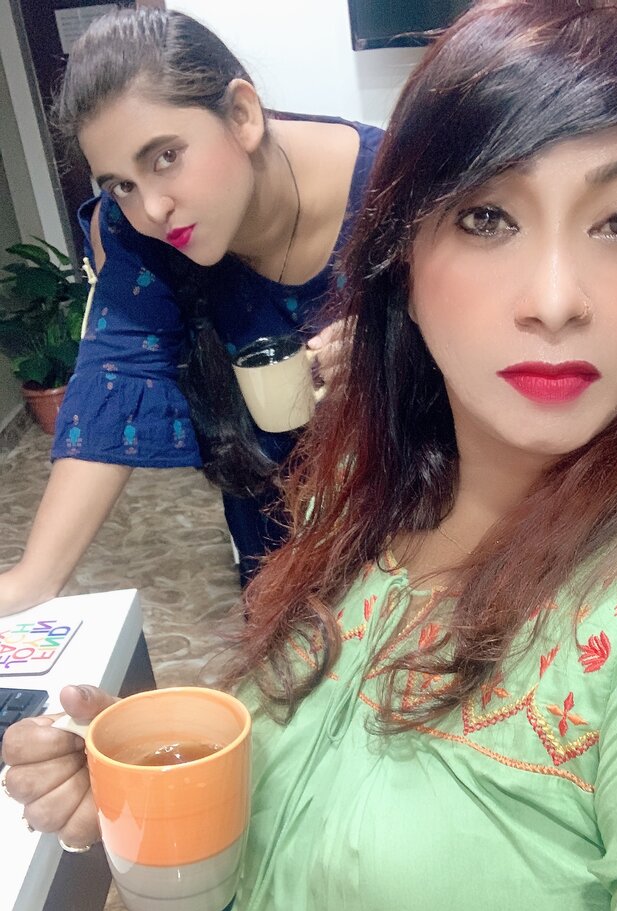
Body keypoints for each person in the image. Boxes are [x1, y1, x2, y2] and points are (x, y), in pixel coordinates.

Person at [4, 0, 617, 911]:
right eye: (487, 218)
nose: (553, 299)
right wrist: (171, 779)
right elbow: (116, 381)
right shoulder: (366, 477)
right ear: (402, 260)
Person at [0, 7, 382, 611]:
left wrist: (399, 343)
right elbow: (118, 370)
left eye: (165, 157)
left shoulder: (396, 185)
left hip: (418, 531)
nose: (152, 208)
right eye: (121, 184)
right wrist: (34, 578)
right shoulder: (140, 235)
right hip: (274, 534)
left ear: (242, 114)